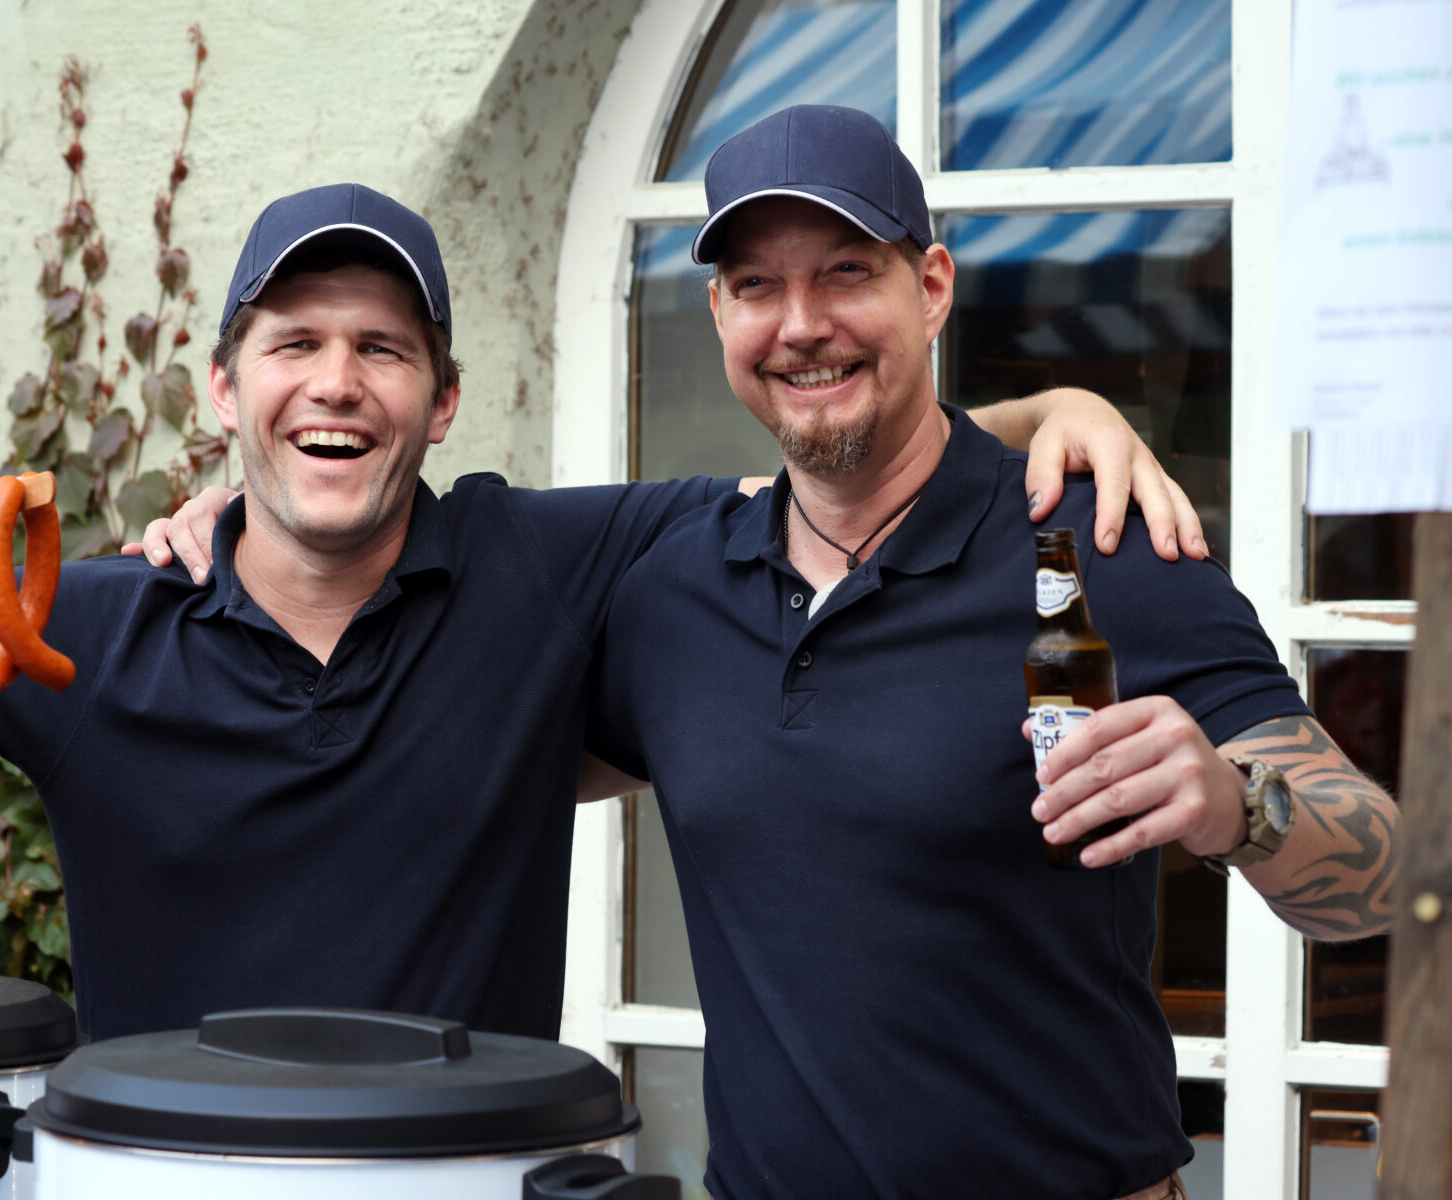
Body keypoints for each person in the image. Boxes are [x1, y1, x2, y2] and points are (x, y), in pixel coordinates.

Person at [0, 182, 1195, 1046]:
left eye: (383, 349)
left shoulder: (549, 567)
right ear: (224, 391)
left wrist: (1053, 413)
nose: (336, 383)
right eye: (295, 344)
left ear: (443, 400)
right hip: (164, 1172)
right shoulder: (86, 623)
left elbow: (838, 457)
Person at [579, 107, 1398, 1199]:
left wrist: (1237, 804)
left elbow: (1381, 879)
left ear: (931, 288)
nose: (803, 324)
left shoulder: (1096, 547)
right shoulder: (673, 591)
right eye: (758, 285)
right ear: (721, 311)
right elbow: (482, 780)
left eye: (847, 272)